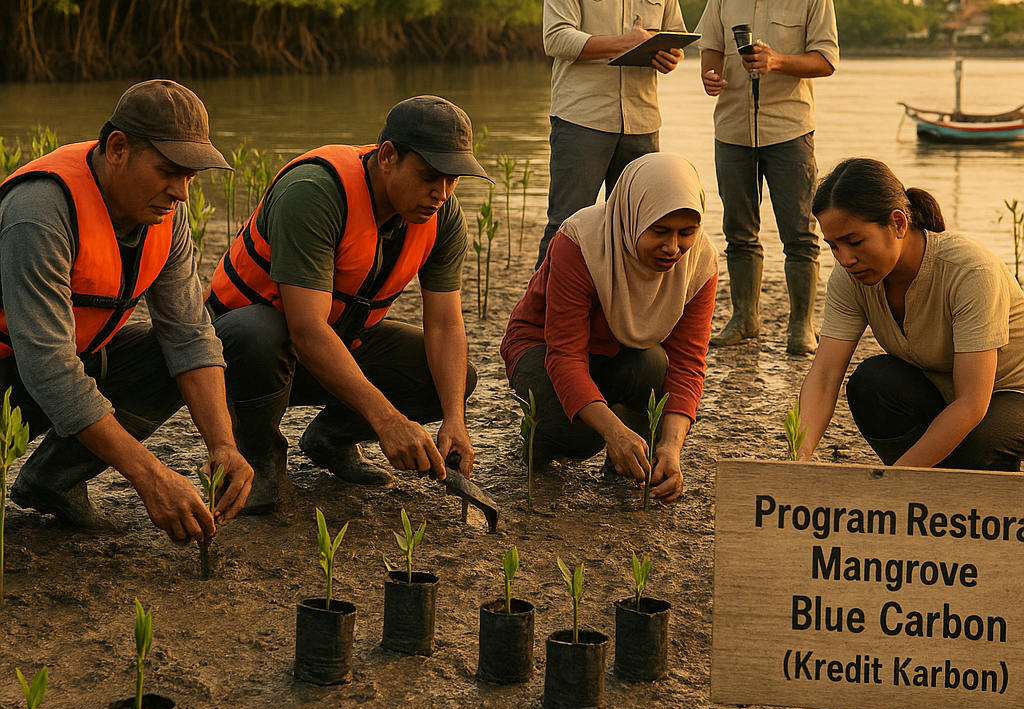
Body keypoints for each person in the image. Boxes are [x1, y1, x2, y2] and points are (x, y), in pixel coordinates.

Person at [206, 95, 490, 512]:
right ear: (388, 156)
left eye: (452, 180)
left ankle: (331, 438)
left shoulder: (440, 214)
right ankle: (260, 460)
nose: (442, 194)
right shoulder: (315, 193)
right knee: (258, 333)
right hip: (243, 354)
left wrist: (455, 421)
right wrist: (388, 421)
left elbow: (446, 326)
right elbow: (306, 330)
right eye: (430, 176)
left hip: (339, 342)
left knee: (454, 378)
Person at [0, 80, 253, 540]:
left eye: (190, 176)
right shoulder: (40, 210)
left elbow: (189, 334)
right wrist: (150, 476)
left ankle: (53, 480)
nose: (180, 192)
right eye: (168, 171)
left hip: (68, 361)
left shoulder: (166, 213)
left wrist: (223, 444)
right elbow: (48, 368)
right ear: (117, 148)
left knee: (170, 352)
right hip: (17, 369)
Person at [502, 153, 718, 503]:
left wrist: (670, 445)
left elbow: (687, 363)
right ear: (632, 217)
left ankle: (628, 460)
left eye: (686, 233)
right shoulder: (582, 241)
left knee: (655, 363)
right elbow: (565, 354)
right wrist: (612, 431)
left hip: (619, 352)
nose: (673, 247)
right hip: (541, 348)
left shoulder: (701, 263)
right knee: (582, 438)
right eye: (659, 231)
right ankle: (539, 437)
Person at [796, 158, 1024, 472]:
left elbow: (971, 404)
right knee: (871, 382)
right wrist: (800, 455)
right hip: (946, 394)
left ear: (898, 223)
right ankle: (932, 487)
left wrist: (893, 480)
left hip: (1009, 395)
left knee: (973, 443)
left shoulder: (970, 271)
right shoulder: (849, 277)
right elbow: (824, 376)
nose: (845, 259)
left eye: (854, 241)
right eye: (833, 246)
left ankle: (945, 485)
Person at [697, 0, 839, 354]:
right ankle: (745, 318)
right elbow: (710, 48)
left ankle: (802, 326)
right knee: (739, 230)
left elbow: (827, 60)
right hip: (732, 130)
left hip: (790, 131)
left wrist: (777, 61)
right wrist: (710, 74)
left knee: (800, 232)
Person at [536, 0, 687, 268]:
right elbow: (555, 39)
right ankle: (539, 324)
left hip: (642, 122)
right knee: (567, 226)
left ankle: (619, 324)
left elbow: (674, 36)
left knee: (636, 227)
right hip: (582, 119)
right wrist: (622, 42)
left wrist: (670, 57)